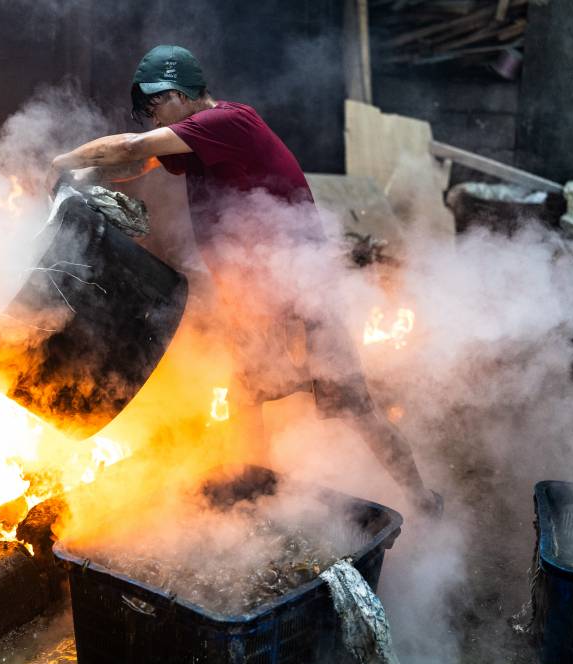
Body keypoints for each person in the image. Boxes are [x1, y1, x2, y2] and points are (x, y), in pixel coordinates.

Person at [49, 45, 442, 516]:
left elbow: (133, 148)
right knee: (245, 402)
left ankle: (421, 497)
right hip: (258, 301)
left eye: (154, 107)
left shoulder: (230, 123)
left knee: (355, 409)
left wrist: (62, 162)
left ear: (178, 92)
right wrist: (86, 177)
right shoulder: (196, 140)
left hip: (302, 299)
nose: (151, 119)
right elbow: (139, 163)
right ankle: (257, 502)